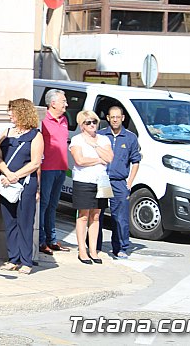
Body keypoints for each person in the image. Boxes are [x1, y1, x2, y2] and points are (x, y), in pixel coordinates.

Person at [0, 99, 43, 275]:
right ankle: (13, 258)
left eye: (12, 111)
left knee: (25, 222)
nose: (9, 115)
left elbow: (35, 162)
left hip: (25, 185)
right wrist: (7, 173)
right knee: (10, 221)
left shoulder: (36, 135)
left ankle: (26, 261)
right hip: (7, 183)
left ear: (22, 112)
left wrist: (15, 176)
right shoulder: (6, 132)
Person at [69, 110, 113, 265]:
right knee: (83, 215)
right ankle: (82, 250)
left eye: (94, 121)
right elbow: (79, 160)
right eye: (88, 122)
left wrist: (95, 146)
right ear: (82, 125)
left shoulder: (103, 139)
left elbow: (109, 158)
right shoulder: (77, 140)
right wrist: (98, 159)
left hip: (102, 181)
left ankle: (93, 250)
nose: (92, 124)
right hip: (83, 180)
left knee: (96, 215)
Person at [97, 106, 141, 259]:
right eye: (112, 117)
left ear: (123, 118)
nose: (115, 119)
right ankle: (95, 246)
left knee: (120, 217)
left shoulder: (130, 138)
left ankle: (121, 247)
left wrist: (129, 183)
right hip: (102, 180)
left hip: (120, 182)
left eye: (118, 117)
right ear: (108, 118)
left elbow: (136, 161)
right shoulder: (100, 135)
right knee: (97, 214)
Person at [39, 89, 71, 256]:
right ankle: (42, 239)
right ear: (53, 103)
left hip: (61, 167)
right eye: (63, 101)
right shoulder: (43, 120)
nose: (66, 104)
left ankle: (52, 238)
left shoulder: (64, 120)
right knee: (44, 204)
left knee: (53, 205)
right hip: (47, 168)